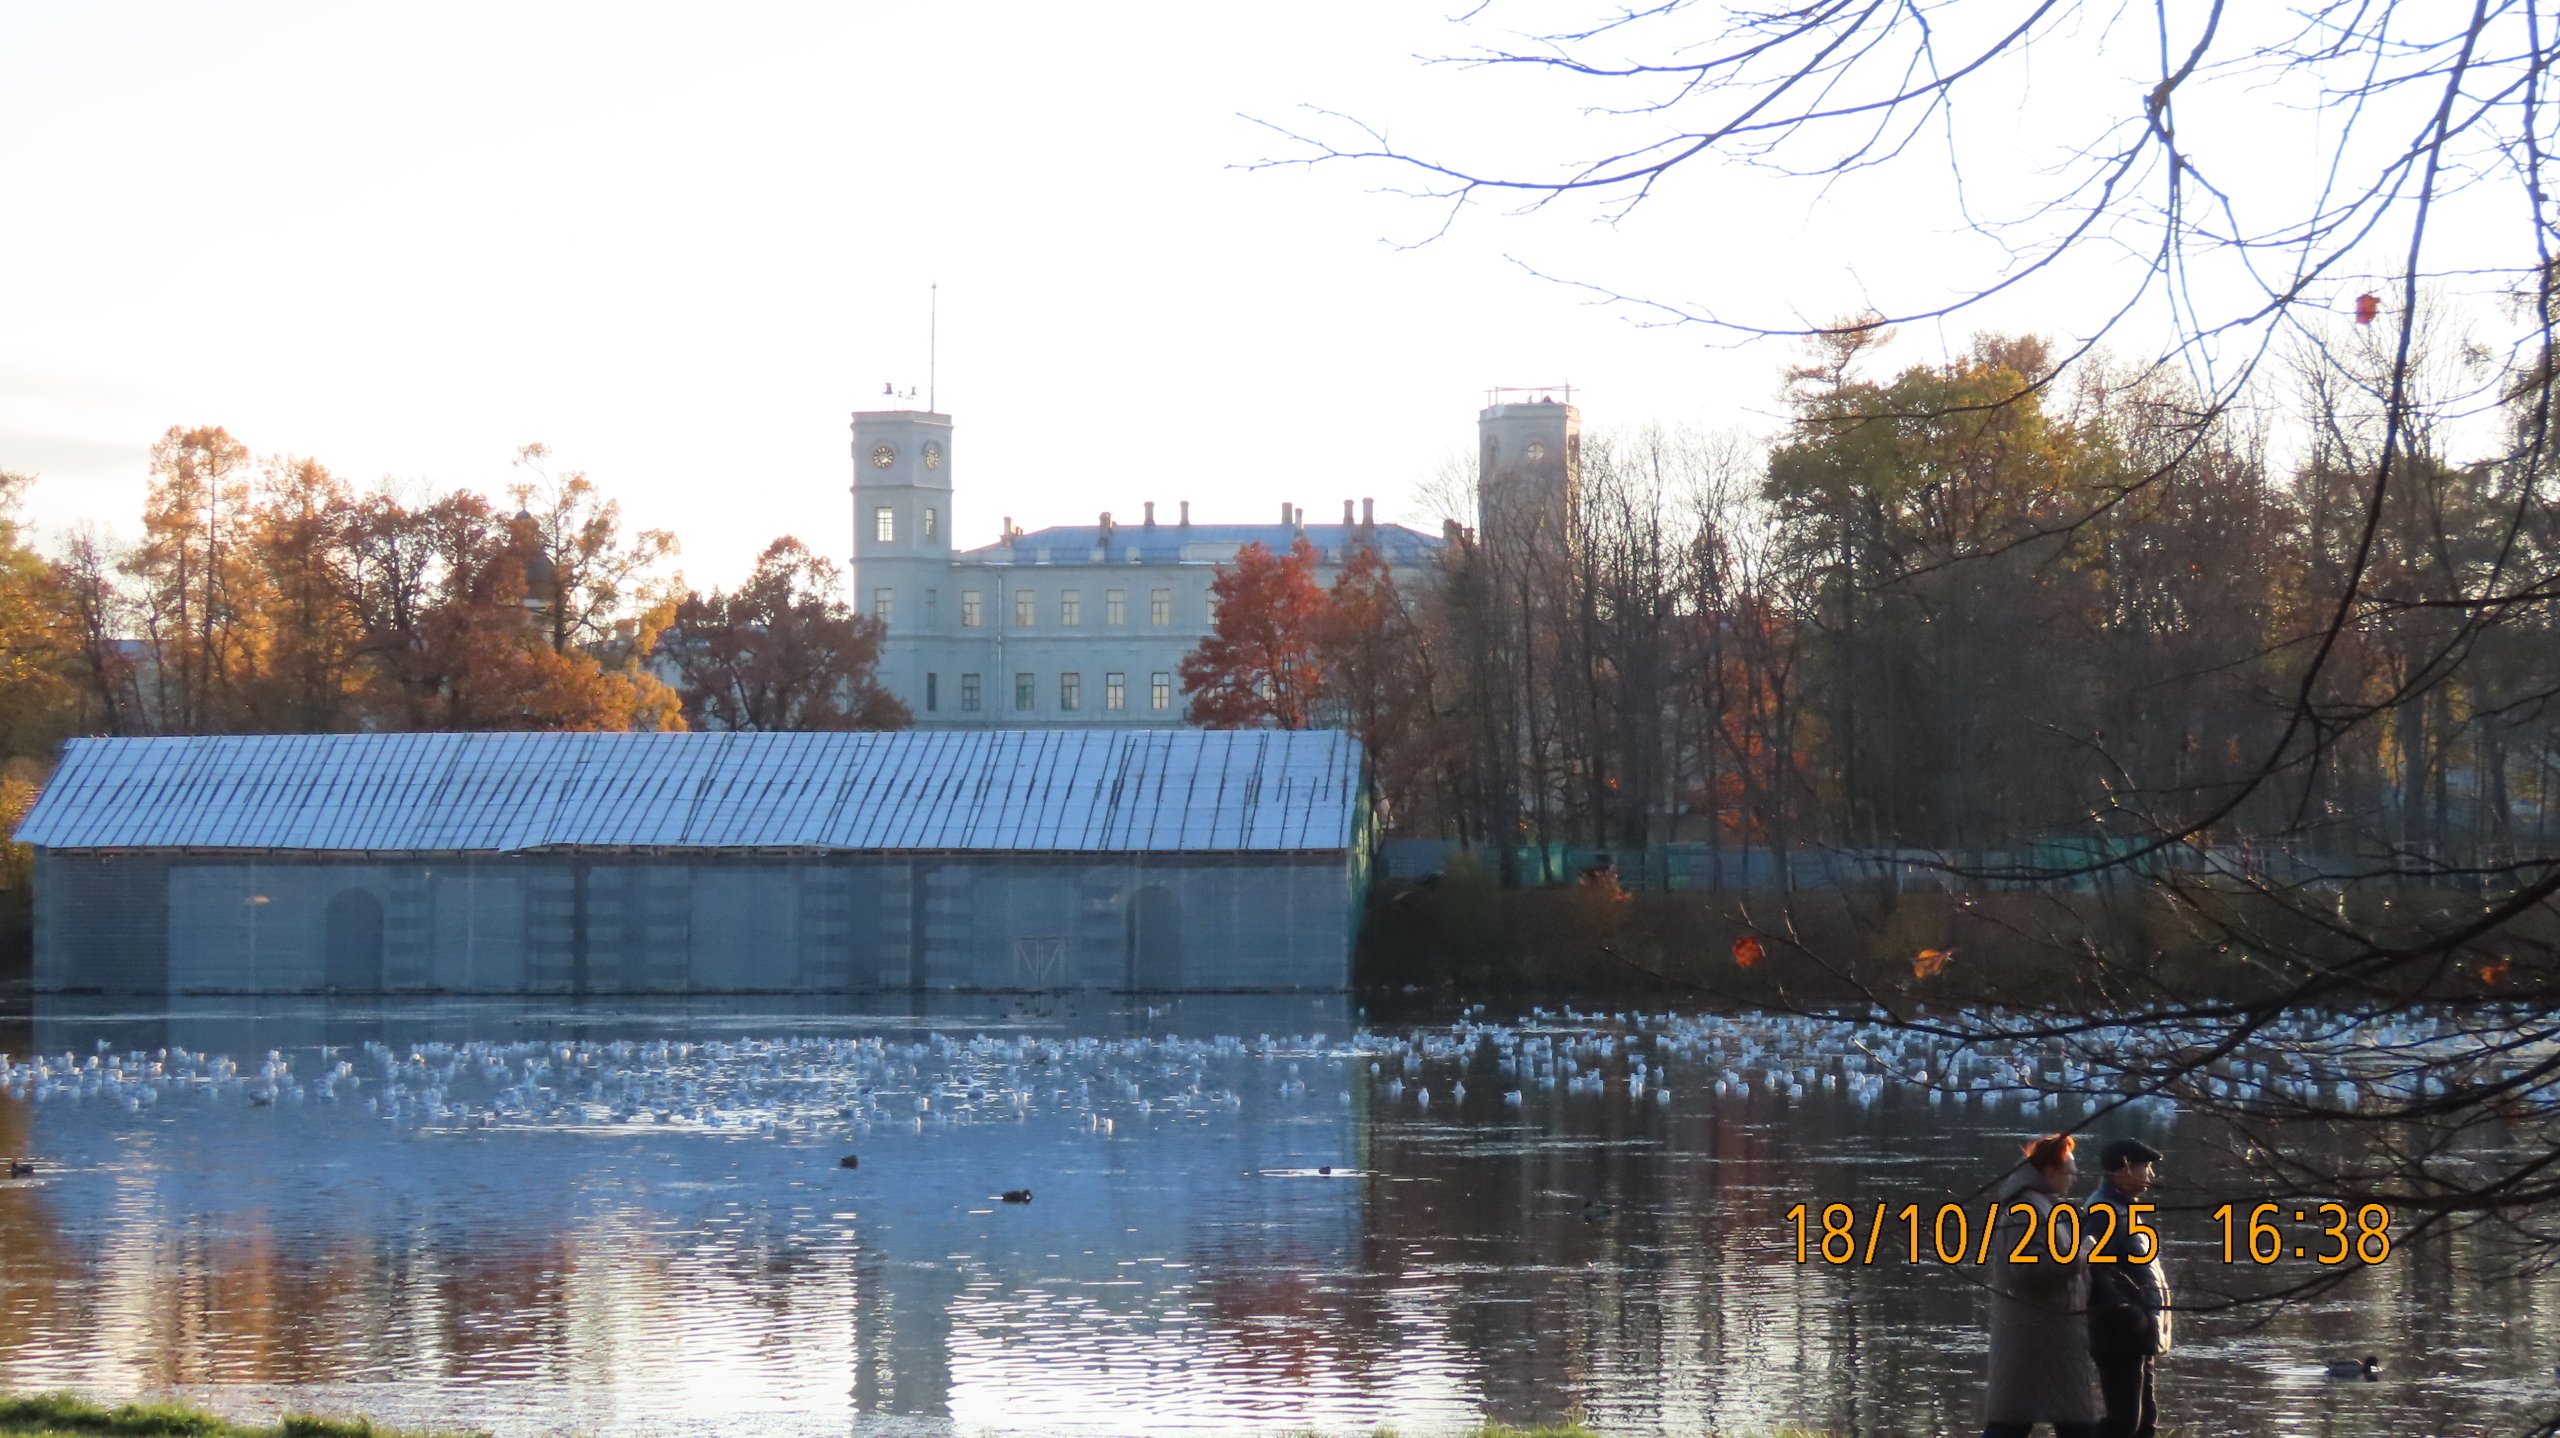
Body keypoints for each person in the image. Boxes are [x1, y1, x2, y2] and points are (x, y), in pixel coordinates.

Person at [1981, 1133, 2101, 1438]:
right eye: (2069, 1169)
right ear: (2049, 1171)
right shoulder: (2026, 1209)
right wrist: (2080, 1256)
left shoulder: (2043, 1205)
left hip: (2050, 1337)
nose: (2075, 1177)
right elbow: (2027, 1270)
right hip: (2034, 1340)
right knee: (2013, 1425)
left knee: (2019, 1423)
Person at [2083, 1137, 2172, 1438]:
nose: (2151, 1176)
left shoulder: (2123, 1209)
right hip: (2118, 1336)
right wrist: (2132, 1316)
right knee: (2123, 1424)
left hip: (2137, 1336)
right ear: (2124, 1170)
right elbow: (2093, 1273)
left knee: (2144, 1424)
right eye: (2145, 1167)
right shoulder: (2101, 1213)